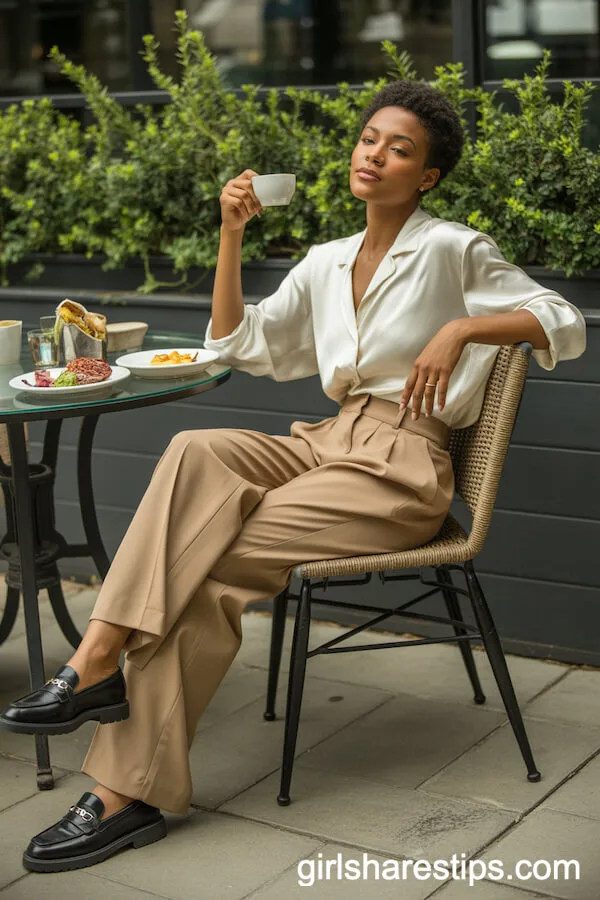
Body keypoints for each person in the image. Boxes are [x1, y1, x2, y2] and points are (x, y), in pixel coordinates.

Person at [0, 80, 586, 873]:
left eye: (400, 148)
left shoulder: (453, 248)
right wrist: (231, 235)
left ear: (428, 178)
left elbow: (562, 319)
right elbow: (237, 344)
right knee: (195, 449)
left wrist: (462, 326)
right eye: (369, 139)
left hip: (399, 465)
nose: (375, 154)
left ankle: (119, 790)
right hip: (326, 441)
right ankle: (97, 658)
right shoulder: (326, 260)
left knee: (204, 572)